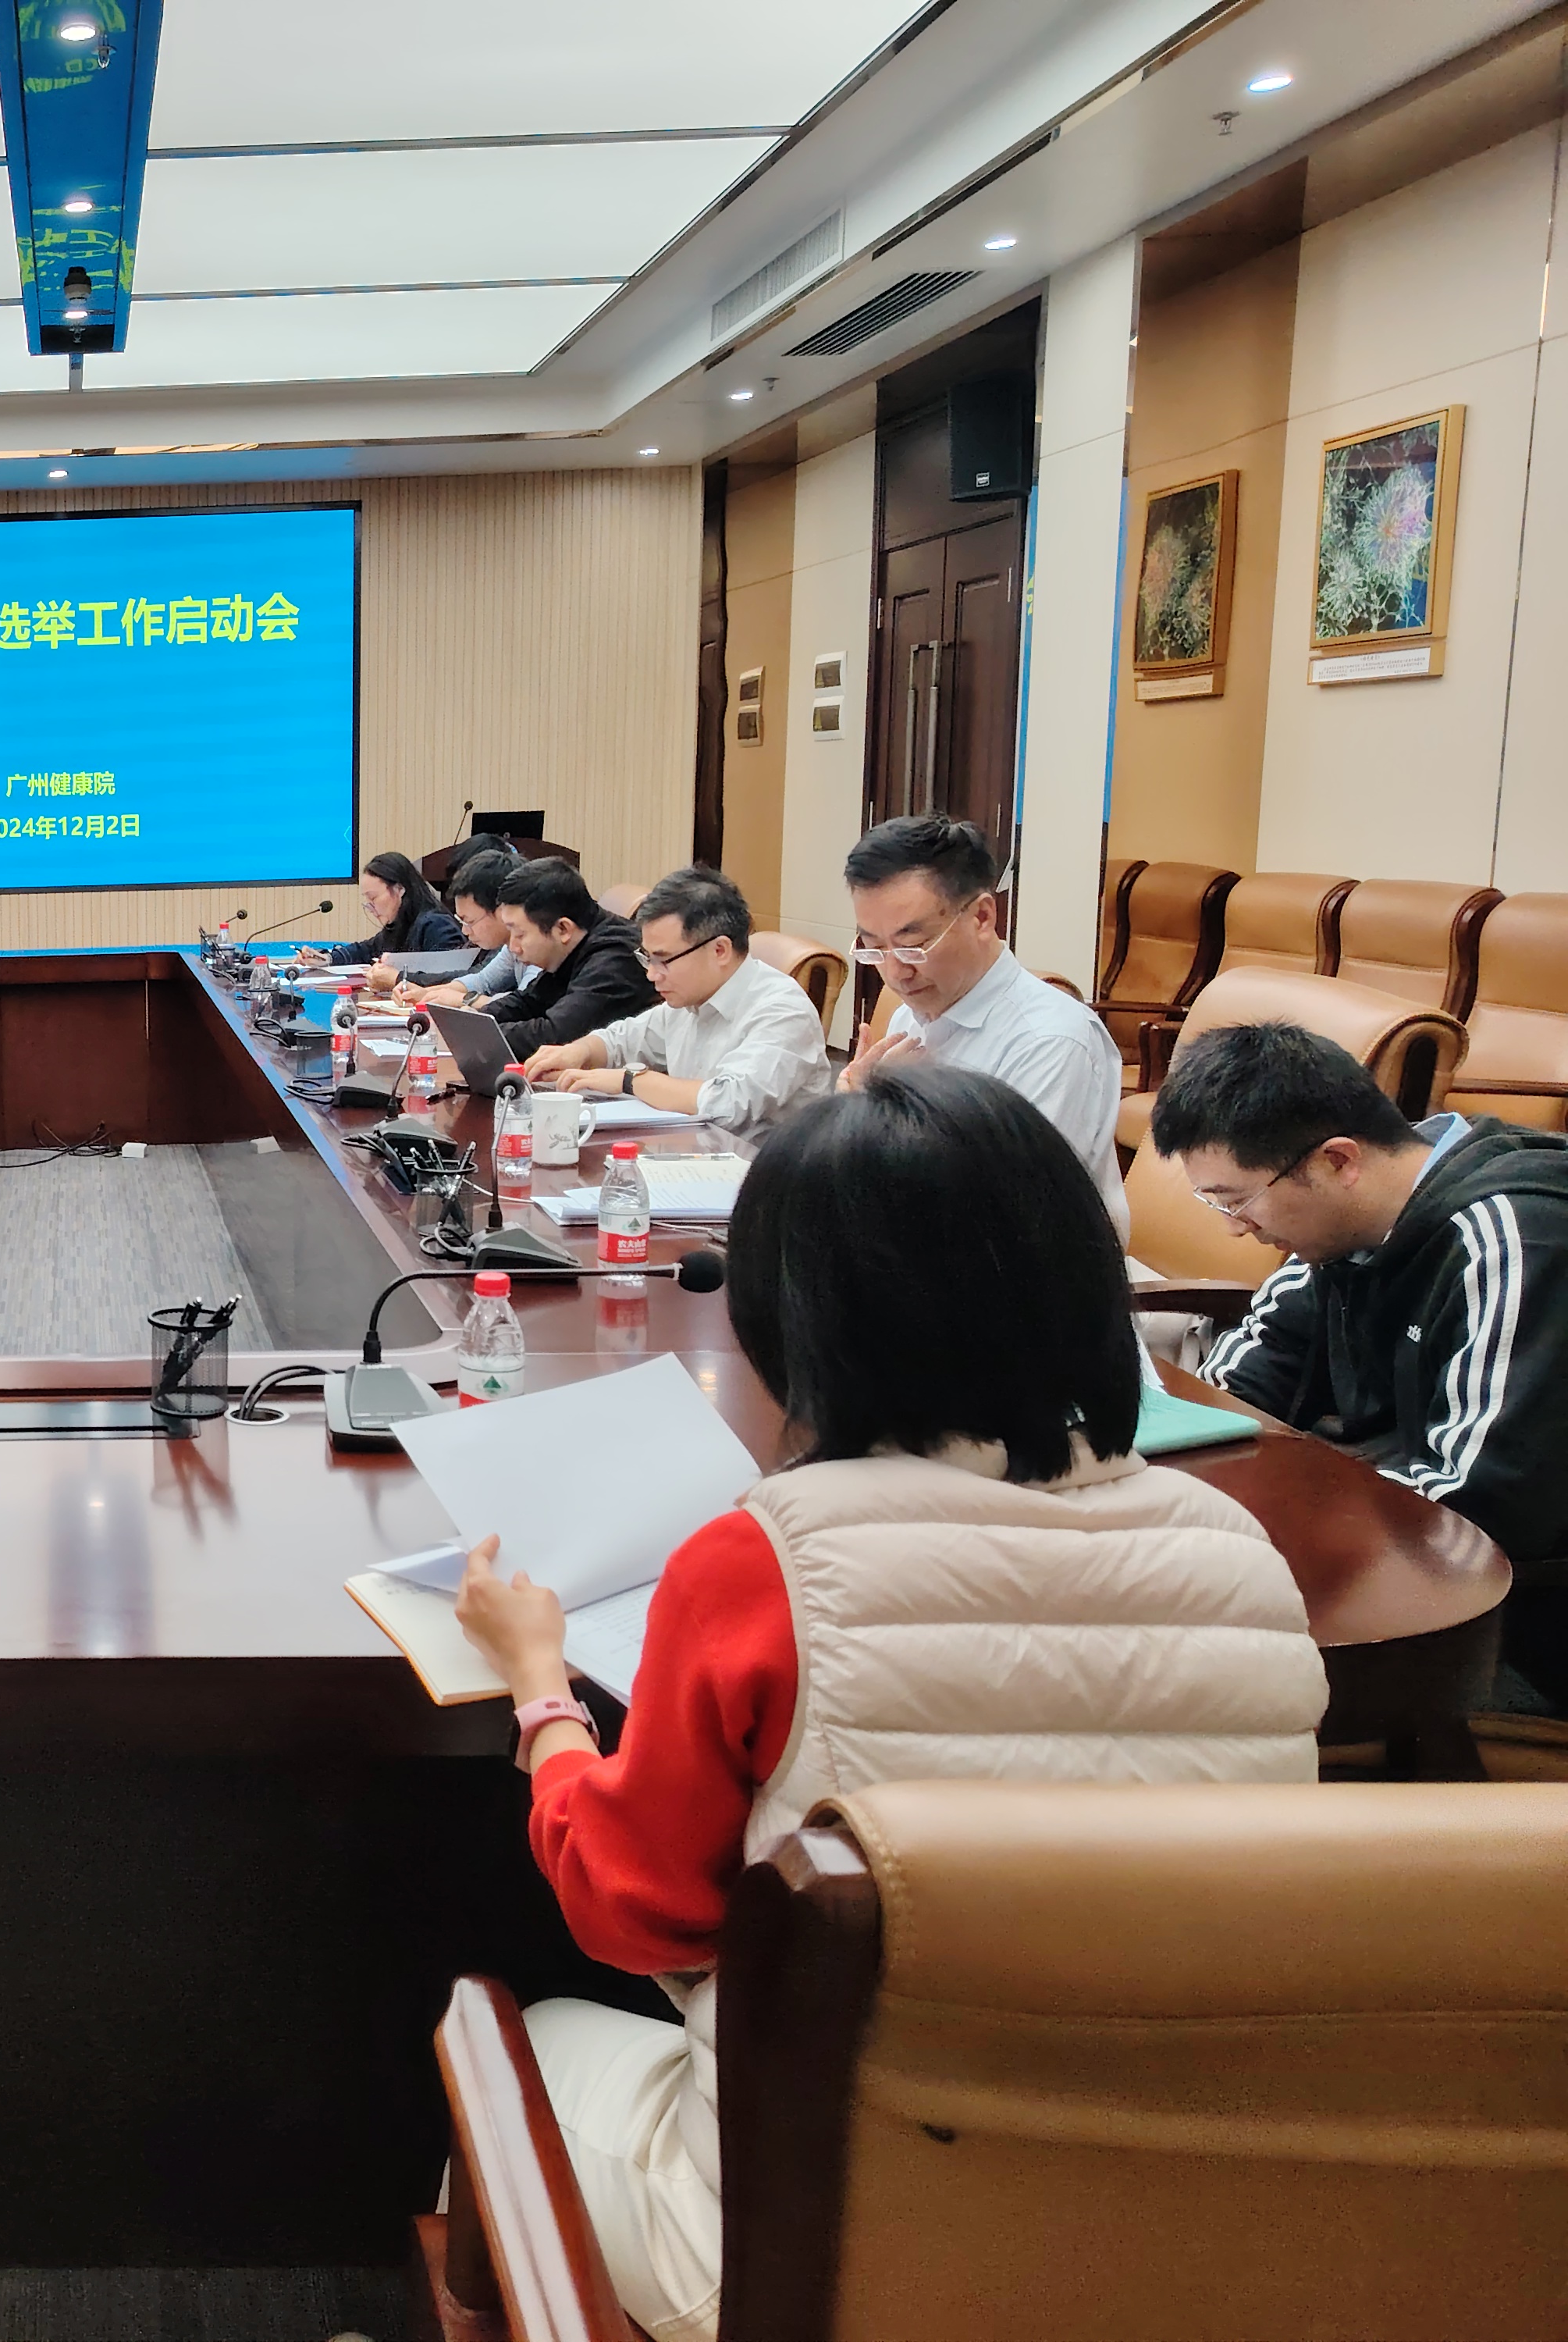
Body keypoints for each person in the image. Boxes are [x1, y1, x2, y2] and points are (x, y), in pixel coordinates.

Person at [451, 1066, 1328, 2342]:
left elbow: (633, 1915)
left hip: (820, 2251)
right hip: (1184, 2229)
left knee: (515, 2036)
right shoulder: (1236, 1549)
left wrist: (544, 1695)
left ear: (794, 1316)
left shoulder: (766, 1561)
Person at [1154, 1020, 1568, 1704]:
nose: (1234, 1227)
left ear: (1338, 1161)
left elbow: (1484, 1499)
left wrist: (1291, 1529)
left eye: (1237, 1200)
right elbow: (1234, 1391)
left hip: (1512, 1614)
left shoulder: (1513, 1244)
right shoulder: (1344, 1227)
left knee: (1203, 1679)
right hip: (1397, 1539)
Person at [841, 812, 1126, 1238]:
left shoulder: (1051, 1041)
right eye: (873, 948)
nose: (897, 972)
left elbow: (1006, 1207)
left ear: (982, 917)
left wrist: (872, 1118)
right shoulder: (911, 1015)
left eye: (913, 945)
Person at [516, 864, 831, 1137]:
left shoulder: (783, 1010)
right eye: (647, 958)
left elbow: (727, 1103)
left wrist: (629, 1080)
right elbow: (623, 1039)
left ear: (719, 950)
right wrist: (579, 1051)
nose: (652, 974)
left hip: (760, 1174)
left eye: (664, 960)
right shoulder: (688, 1000)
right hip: (695, 1156)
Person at [482, 856, 660, 1052]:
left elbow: (557, 1036)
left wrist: (483, 1033)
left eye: (520, 934)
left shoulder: (616, 961)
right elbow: (529, 1002)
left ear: (563, 929)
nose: (513, 947)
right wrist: (477, 1019)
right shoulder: (574, 945)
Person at [378, 852, 516, 1003]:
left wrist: (462, 1000)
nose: (465, 931)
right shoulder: (511, 949)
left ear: (502, 911)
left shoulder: (530, 949)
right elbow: (482, 980)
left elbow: (523, 1007)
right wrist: (424, 993)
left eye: (469, 921)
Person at [303, 849, 460, 967]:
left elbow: (445, 977)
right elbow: (366, 950)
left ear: (400, 889)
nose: (370, 907)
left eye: (373, 898)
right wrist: (328, 958)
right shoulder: (400, 924)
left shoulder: (437, 925)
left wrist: (395, 979)